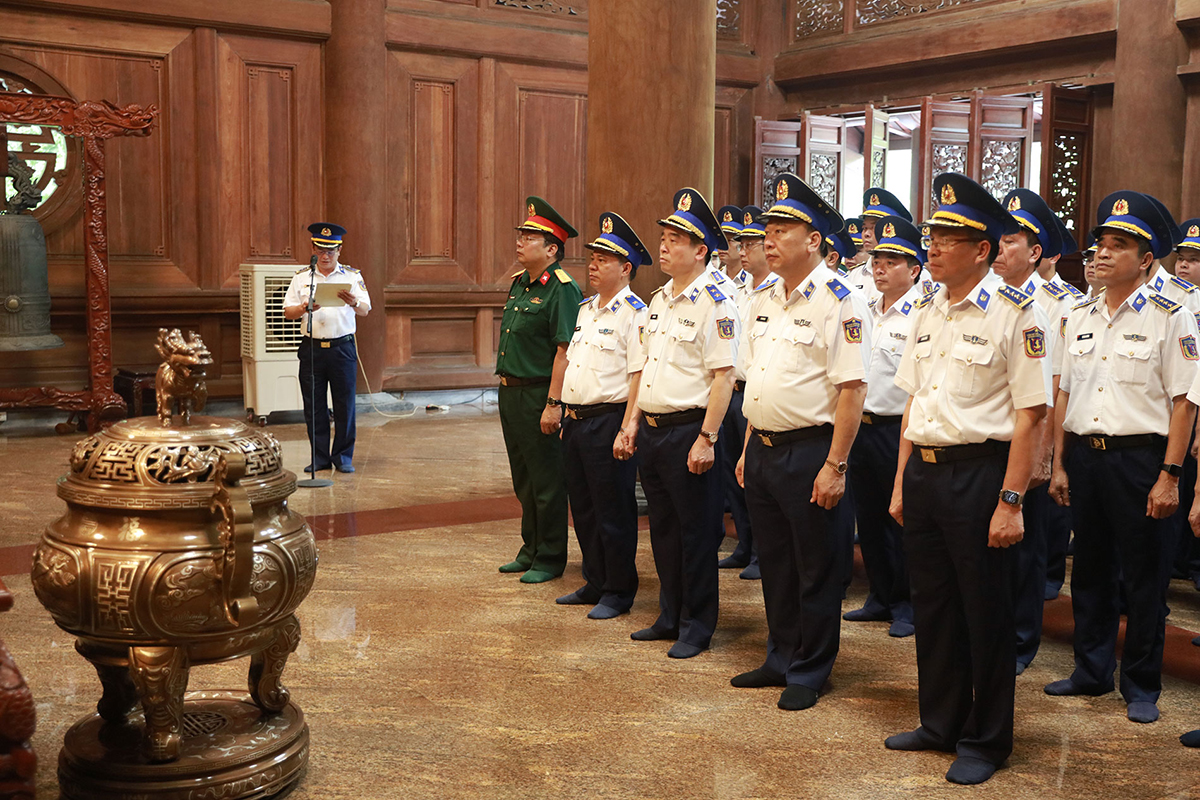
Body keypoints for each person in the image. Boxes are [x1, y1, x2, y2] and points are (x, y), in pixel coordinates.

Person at [885, 173, 1051, 786]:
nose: (931, 246)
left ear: (982, 249)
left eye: (946, 238)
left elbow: (1030, 413)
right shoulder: (927, 309)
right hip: (926, 475)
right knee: (933, 607)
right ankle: (940, 722)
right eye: (931, 235)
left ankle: (987, 739)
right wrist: (901, 482)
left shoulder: (1016, 314)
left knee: (985, 612)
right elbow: (913, 402)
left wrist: (1011, 501)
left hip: (981, 476)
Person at [1046, 191, 1199, 726]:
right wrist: (1058, 463)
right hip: (1087, 459)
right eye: (1101, 244)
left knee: (1144, 577)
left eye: (1119, 245)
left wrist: (1170, 475)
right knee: (1089, 569)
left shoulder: (1171, 316)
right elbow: (1065, 393)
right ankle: (1090, 670)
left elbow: (1185, 402)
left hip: (1142, 460)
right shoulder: (1080, 314)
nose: (1103, 254)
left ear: (1146, 258)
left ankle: (1141, 683)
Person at [730, 172, 870, 712]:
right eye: (767, 230)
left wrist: (836, 465)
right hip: (763, 447)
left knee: (816, 565)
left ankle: (811, 669)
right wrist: (747, 447)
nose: (769, 239)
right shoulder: (762, 298)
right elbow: (757, 380)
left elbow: (852, 390)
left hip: (813, 449)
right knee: (776, 561)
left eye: (781, 230)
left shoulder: (841, 301)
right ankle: (780, 655)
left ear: (813, 240)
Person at [628, 188, 740, 659]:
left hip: (690, 431)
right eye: (664, 238)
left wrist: (707, 438)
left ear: (700, 251)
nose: (664, 246)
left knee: (696, 534)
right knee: (664, 530)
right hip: (655, 430)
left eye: (676, 240)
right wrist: (633, 422)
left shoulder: (716, 301)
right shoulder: (659, 300)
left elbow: (724, 376)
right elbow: (647, 367)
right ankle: (670, 614)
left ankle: (697, 624)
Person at [557, 212, 649, 619]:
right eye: (592, 259)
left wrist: (629, 427)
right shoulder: (586, 309)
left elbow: (637, 375)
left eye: (603, 260)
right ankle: (594, 580)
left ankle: (618, 589)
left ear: (625, 268)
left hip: (609, 420)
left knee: (613, 510)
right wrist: (565, 412)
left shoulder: (635, 313)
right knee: (584, 507)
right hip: (577, 420)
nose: (592, 266)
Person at [992, 189, 1069, 674]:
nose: (999, 249)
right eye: (997, 239)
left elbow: (1054, 387)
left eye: (1011, 241)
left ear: (1035, 251)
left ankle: (1020, 641)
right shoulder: (984, 297)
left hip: (1031, 441)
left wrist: (1045, 455)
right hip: (989, 444)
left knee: (1026, 548)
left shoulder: (1057, 305)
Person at [842, 215, 926, 638]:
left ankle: (907, 603)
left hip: (898, 430)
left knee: (902, 517)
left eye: (892, 262)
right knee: (870, 517)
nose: (879, 268)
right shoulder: (864, 309)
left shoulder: (923, 315)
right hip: (862, 427)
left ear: (914, 270)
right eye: (877, 261)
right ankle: (879, 595)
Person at [495, 197, 584, 584]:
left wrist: (553, 403)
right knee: (524, 478)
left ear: (551, 249)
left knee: (547, 481)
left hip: (537, 394)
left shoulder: (561, 289)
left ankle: (549, 556)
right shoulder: (519, 283)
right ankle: (529, 548)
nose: (520, 241)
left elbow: (564, 350)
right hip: (510, 392)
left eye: (529, 237)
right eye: (521, 234)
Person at [282, 223, 371, 474]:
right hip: (312, 349)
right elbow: (288, 312)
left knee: (344, 405)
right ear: (313, 249)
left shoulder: (351, 276)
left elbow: (365, 310)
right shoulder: (302, 277)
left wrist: (353, 302)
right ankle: (319, 457)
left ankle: (343, 457)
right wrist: (304, 308)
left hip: (342, 348)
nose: (325, 256)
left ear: (339, 250)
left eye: (330, 251)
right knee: (314, 406)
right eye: (320, 250)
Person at [715, 207, 759, 580]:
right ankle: (744, 544)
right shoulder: (735, 290)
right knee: (732, 473)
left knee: (754, 476)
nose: (742, 249)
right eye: (738, 243)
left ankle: (761, 551)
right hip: (732, 390)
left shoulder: (768, 290)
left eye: (748, 243)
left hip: (754, 394)